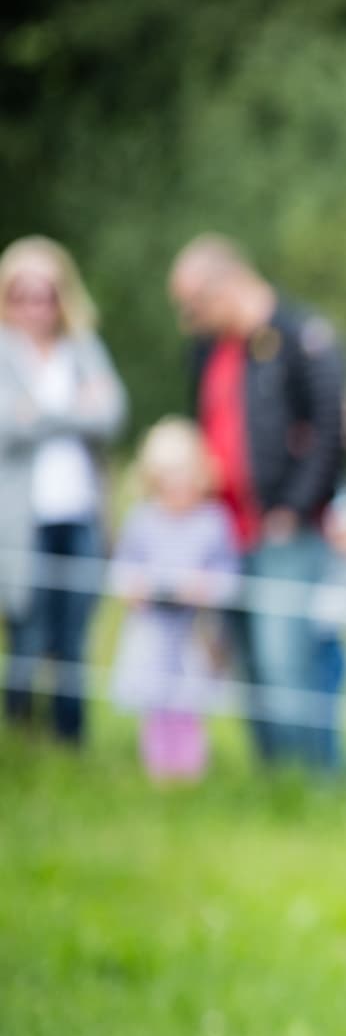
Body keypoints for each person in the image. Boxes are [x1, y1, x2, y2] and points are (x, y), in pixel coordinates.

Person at [170, 234, 346, 768]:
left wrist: (293, 509)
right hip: (226, 529)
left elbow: (331, 430)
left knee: (285, 657)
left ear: (225, 286)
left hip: (283, 529)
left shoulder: (300, 336)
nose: (188, 318)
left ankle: (309, 780)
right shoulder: (212, 350)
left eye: (192, 304)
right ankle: (272, 776)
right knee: (246, 661)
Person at [0, 237, 127, 744]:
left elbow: (112, 416)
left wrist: (40, 412)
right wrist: (75, 410)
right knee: (26, 630)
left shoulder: (83, 347)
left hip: (79, 511)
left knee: (74, 633)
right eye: (22, 294)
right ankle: (18, 739)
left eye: (45, 294)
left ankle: (69, 742)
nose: (35, 306)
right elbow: (8, 424)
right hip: (21, 516)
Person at [107, 419, 239, 782]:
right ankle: (158, 772)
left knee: (188, 700)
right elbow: (122, 567)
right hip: (151, 627)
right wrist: (133, 587)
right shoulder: (142, 519)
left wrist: (204, 587)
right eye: (169, 473)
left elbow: (230, 577)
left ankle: (190, 771)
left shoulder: (213, 521)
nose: (178, 483)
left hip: (193, 630)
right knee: (156, 701)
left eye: (184, 472)